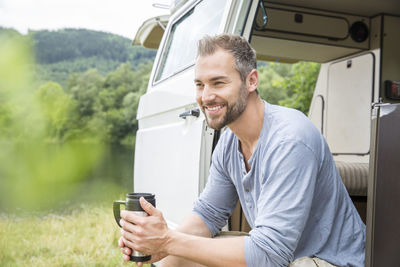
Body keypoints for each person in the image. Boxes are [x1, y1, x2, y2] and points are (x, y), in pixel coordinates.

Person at [118, 34, 366, 267]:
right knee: (178, 258)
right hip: (284, 254)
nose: (206, 96)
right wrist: (160, 244)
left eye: (218, 83)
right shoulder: (228, 143)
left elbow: (269, 254)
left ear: (251, 81)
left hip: (330, 260)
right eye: (200, 85)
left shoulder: (290, 139)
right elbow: (208, 214)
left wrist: (169, 240)